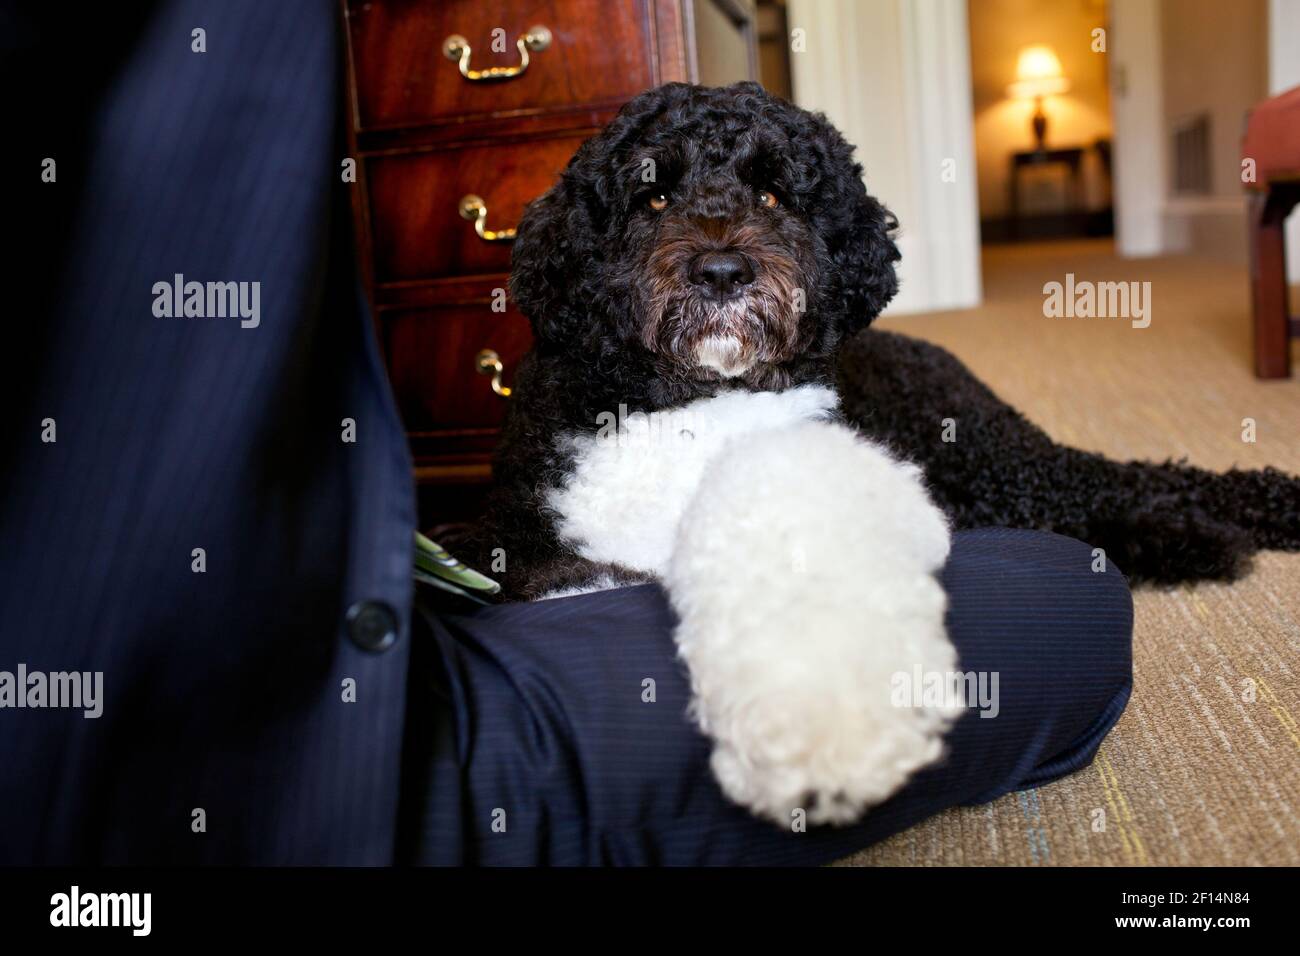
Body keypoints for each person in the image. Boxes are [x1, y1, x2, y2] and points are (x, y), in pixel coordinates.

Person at [0, 0, 1132, 866]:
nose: (725, 238)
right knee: (1072, 593)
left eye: (768, 203)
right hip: (329, 770)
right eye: (658, 204)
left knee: (1049, 511)